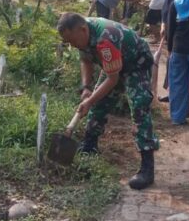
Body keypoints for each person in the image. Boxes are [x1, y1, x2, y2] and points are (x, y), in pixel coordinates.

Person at [57, 12, 159, 190]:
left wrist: (88, 101)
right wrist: (86, 87)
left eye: (73, 41)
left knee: (139, 107)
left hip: (136, 62)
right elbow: (85, 59)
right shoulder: (82, 32)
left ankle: (147, 168)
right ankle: (89, 145)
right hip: (113, 63)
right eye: (70, 43)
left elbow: (112, 80)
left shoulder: (105, 39)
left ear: (82, 30)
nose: (73, 45)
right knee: (99, 101)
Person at [158, 0, 185, 102]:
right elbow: (165, 13)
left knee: (175, 64)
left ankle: (176, 93)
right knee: (172, 63)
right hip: (170, 35)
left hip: (180, 37)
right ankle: (172, 92)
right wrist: (163, 25)